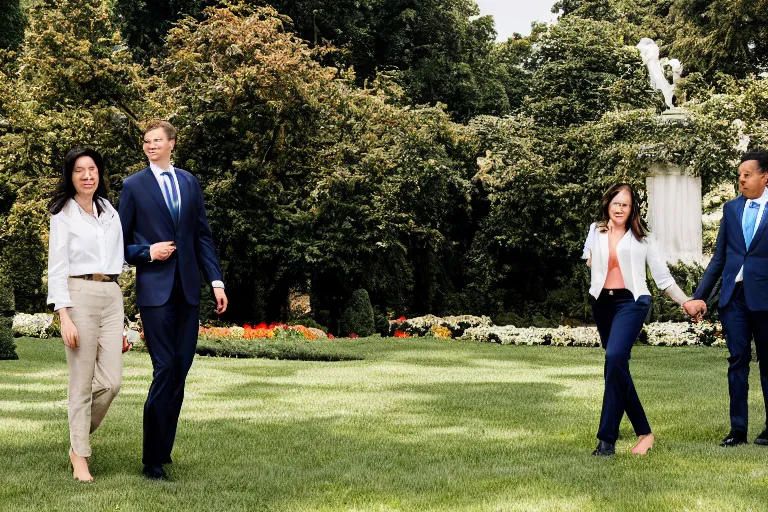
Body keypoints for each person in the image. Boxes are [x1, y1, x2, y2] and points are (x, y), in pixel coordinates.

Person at [119, 120, 228, 480]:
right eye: (146, 142)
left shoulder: (189, 182)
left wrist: (215, 281)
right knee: (165, 368)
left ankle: (163, 450)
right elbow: (119, 244)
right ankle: (151, 460)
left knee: (180, 371)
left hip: (188, 290)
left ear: (171, 144)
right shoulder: (133, 186)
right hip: (154, 293)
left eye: (156, 141)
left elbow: (201, 236)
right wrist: (149, 251)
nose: (150, 146)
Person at [583, 183, 695, 456]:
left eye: (626, 204)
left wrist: (686, 301)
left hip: (632, 302)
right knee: (616, 366)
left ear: (632, 209)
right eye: (616, 203)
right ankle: (645, 433)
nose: (620, 208)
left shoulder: (642, 237)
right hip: (602, 303)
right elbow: (589, 261)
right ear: (607, 204)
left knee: (615, 358)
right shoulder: (594, 231)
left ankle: (606, 441)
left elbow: (663, 278)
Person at [47, 147, 125, 482]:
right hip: (78, 295)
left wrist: (122, 322)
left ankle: (76, 433)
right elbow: (57, 269)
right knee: (80, 384)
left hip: (111, 294)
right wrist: (64, 315)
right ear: (71, 176)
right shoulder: (62, 215)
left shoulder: (109, 210)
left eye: (92, 169)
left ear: (99, 173)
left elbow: (118, 259)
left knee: (111, 383)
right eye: (80, 170)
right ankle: (80, 455)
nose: (87, 176)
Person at [685, 150, 768, 448]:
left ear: (764, 176)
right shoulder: (731, 210)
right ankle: (738, 430)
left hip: (766, 298)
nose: (741, 180)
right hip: (734, 299)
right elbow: (719, 259)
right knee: (737, 362)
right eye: (739, 175)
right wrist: (699, 297)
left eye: (747, 175)